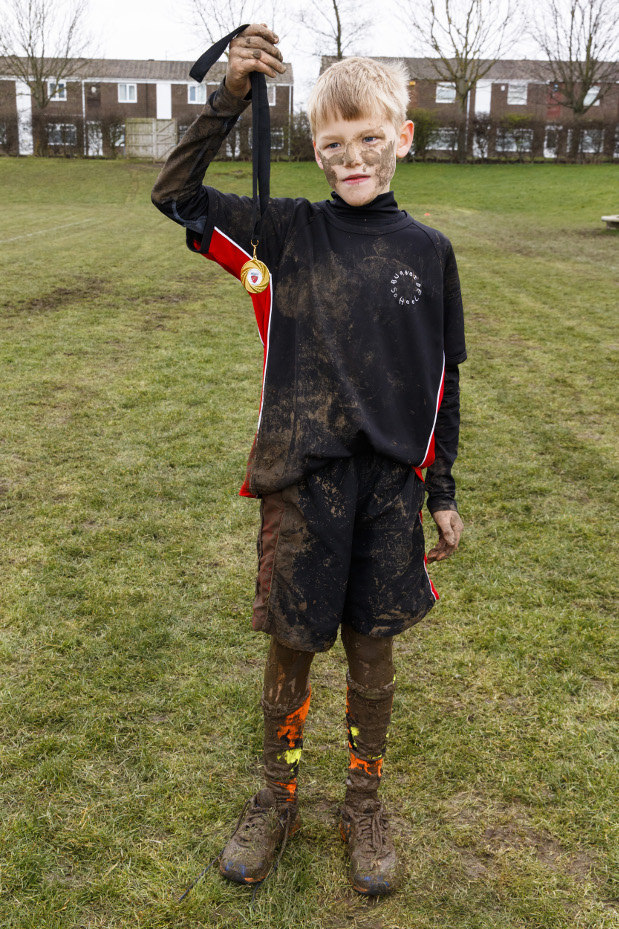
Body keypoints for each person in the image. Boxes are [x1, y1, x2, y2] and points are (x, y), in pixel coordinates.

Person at [151, 23, 466, 897]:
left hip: (388, 494)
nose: (351, 157)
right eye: (332, 143)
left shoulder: (430, 254)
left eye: (370, 138)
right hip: (302, 483)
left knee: (372, 649)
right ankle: (277, 792)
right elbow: (175, 194)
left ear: (403, 136)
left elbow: (443, 383)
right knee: (291, 646)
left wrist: (439, 487)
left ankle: (362, 800)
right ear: (312, 148)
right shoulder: (284, 234)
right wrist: (228, 97)